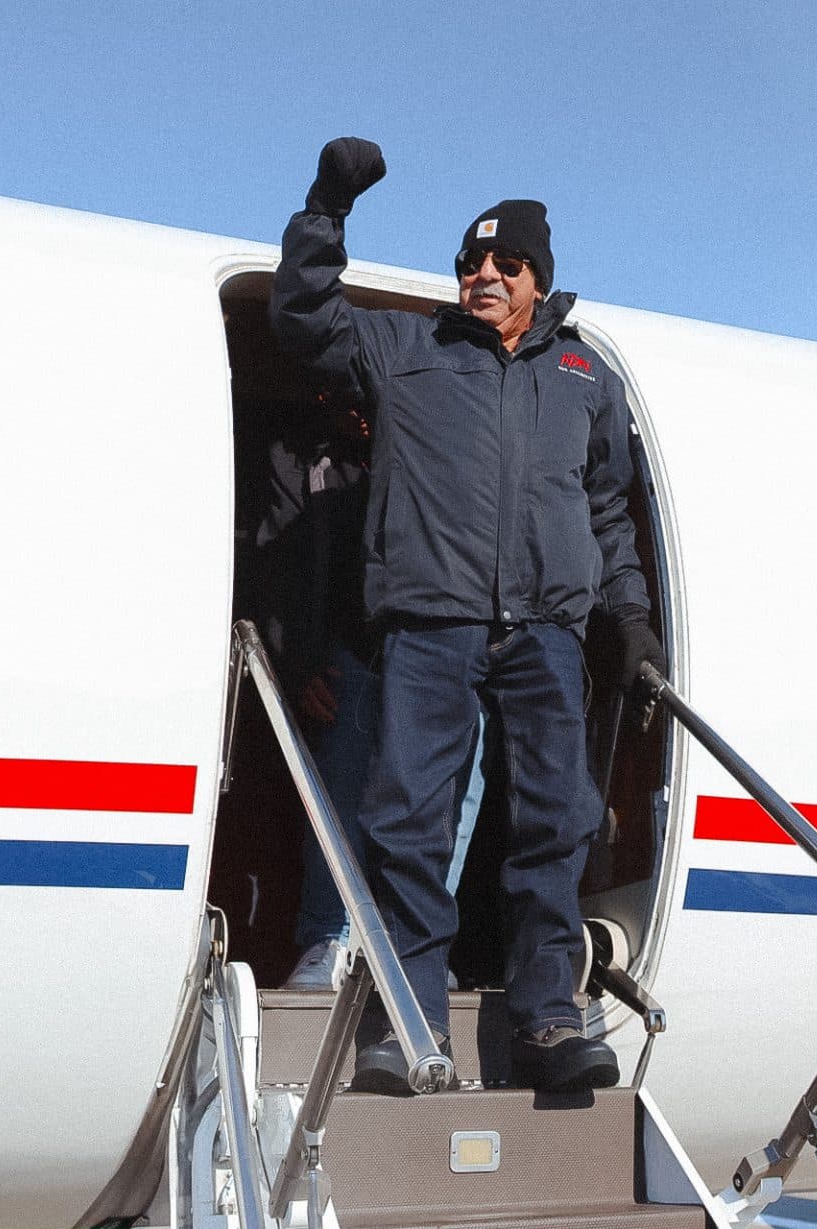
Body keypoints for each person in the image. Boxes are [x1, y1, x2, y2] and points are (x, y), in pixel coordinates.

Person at [269, 138, 663, 1093]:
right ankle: (404, 1020)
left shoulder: (584, 378)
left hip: (545, 635)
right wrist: (326, 211)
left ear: (538, 279)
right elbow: (306, 320)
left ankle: (547, 1016)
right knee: (408, 823)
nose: (483, 274)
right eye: (470, 263)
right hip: (431, 623)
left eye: (504, 263)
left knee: (551, 826)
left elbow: (606, 511)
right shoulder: (409, 350)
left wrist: (632, 623)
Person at [255, 387, 486, 991]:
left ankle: (412, 944)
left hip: (444, 643)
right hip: (353, 650)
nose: (356, 407)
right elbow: (282, 561)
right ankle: (330, 939)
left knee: (455, 794)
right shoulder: (307, 457)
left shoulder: (437, 445)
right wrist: (298, 662)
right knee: (343, 785)